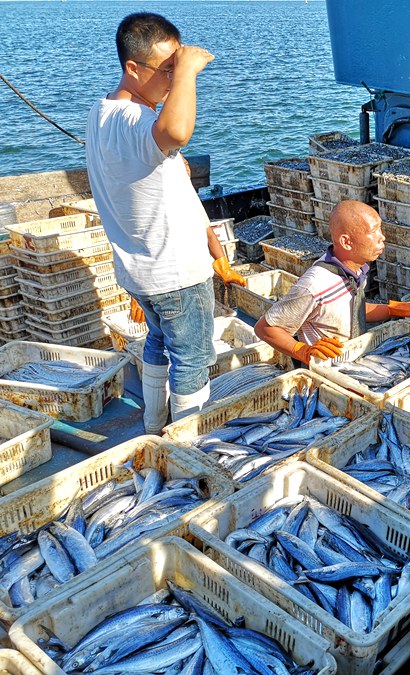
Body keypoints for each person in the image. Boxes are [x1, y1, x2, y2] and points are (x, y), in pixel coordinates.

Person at [85, 12, 247, 434]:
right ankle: (190, 447)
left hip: (140, 272)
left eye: (177, 69)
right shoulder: (136, 122)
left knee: (158, 343)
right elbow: (176, 131)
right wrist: (191, 70)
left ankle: (155, 427)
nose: (174, 81)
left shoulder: (101, 113)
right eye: (167, 71)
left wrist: (217, 252)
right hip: (174, 273)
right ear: (132, 68)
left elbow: (172, 184)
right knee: (193, 358)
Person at [254, 200, 410, 363]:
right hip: (327, 367)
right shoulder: (315, 285)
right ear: (346, 242)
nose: (382, 237)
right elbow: (265, 328)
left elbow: (349, 309)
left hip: (352, 358)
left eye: (380, 229)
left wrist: (395, 309)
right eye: (373, 231)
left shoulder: (355, 269)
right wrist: (302, 351)